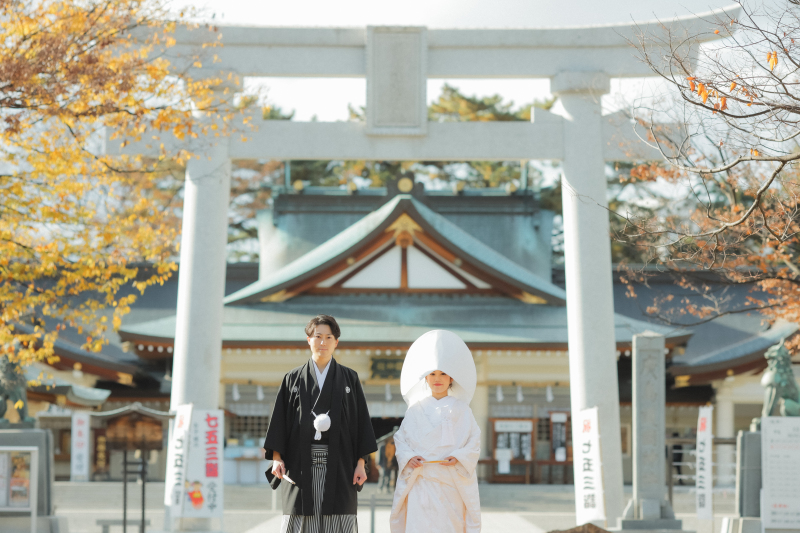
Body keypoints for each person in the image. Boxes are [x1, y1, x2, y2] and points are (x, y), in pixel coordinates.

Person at [263, 314, 377, 533]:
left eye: (328, 337)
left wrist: (361, 463)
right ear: (308, 339)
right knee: (299, 517)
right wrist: (277, 458)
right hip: (299, 464)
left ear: (336, 342)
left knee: (339, 518)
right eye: (318, 336)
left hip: (341, 463)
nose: (322, 342)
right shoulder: (292, 379)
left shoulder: (349, 378)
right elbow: (280, 421)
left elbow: (360, 422)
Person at [390, 330, 481, 533]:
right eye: (432, 374)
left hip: (451, 482)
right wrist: (409, 457)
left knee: (450, 526)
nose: (437, 379)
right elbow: (401, 439)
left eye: (443, 374)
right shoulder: (415, 410)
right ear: (426, 379)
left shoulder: (462, 410)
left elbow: (474, 441)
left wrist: (458, 457)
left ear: (451, 379)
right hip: (421, 480)